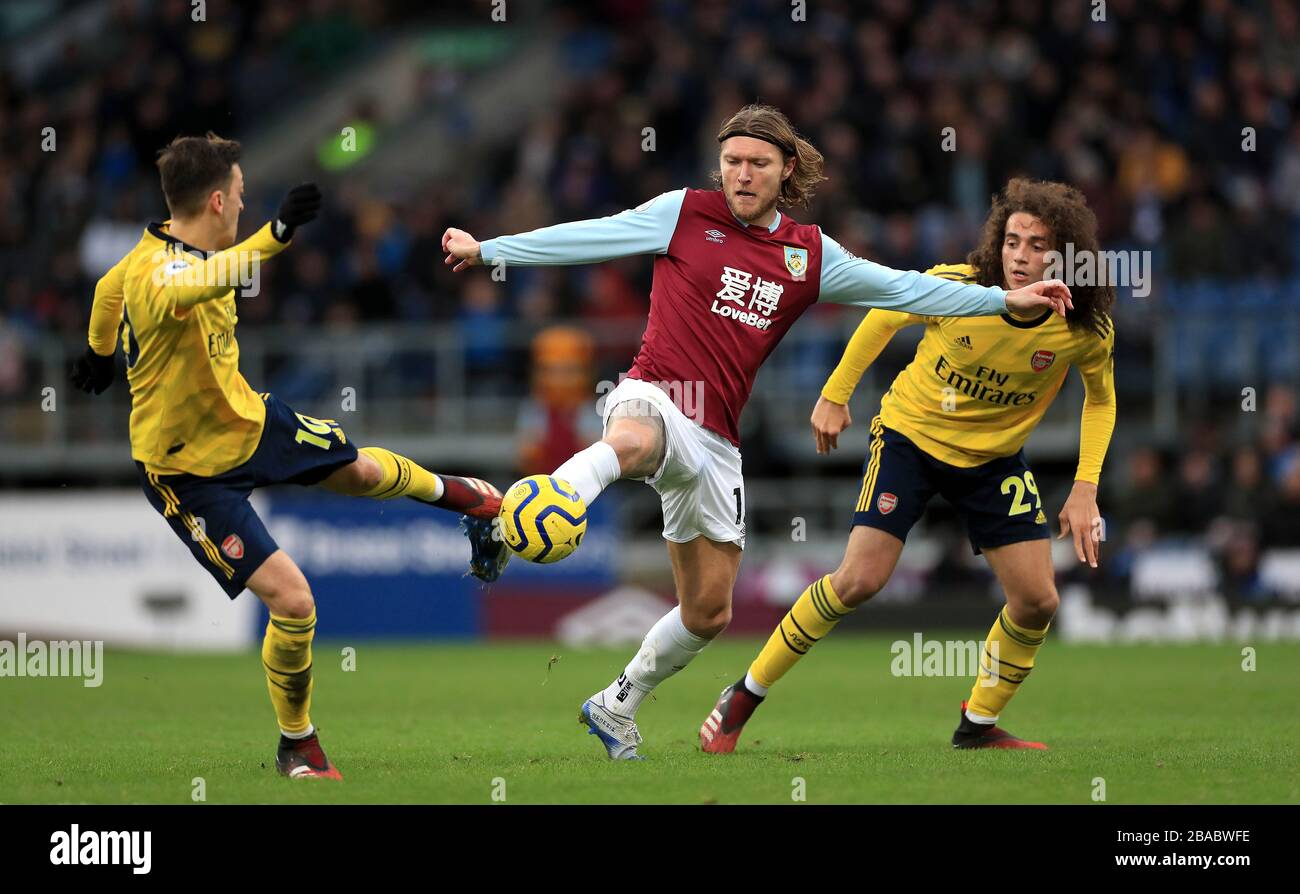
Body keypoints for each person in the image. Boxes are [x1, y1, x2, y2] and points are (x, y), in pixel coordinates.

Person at [442, 106, 1072, 760]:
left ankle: (616, 703)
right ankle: (525, 504)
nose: (742, 174)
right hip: (658, 391)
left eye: (758, 164)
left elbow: (907, 290)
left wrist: (1003, 301)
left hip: (717, 440)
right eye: (733, 161)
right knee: (635, 440)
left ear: (785, 170)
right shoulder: (683, 213)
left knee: (708, 611)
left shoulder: (809, 254)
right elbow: (593, 236)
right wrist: (490, 249)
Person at [72, 133, 506, 779]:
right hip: (187, 471)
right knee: (295, 602)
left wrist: (98, 350)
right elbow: (195, 285)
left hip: (248, 419)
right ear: (218, 201)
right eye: (242, 197)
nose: (244, 207)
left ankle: (471, 499)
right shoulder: (168, 276)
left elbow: (108, 290)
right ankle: (297, 743)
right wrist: (275, 234)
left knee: (358, 470)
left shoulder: (150, 253)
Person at [700, 178, 1116, 753]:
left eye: (1038, 245)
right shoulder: (962, 289)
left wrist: (1085, 486)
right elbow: (884, 315)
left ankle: (977, 726)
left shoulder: (1081, 327)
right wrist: (836, 392)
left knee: (1039, 599)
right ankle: (743, 694)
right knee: (858, 580)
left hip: (993, 461)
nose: (1021, 257)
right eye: (1013, 241)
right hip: (911, 440)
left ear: (1065, 253)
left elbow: (1100, 397)